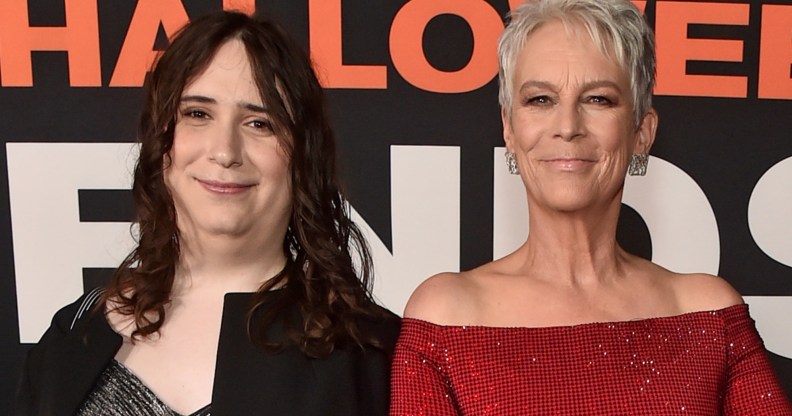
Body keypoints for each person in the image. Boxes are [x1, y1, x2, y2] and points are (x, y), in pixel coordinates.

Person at [389, 0, 792, 414]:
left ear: (641, 131)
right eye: (540, 99)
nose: (567, 127)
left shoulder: (708, 314)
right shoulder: (446, 317)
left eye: (598, 99)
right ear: (509, 128)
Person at [16, 11, 399, 416]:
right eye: (198, 114)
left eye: (259, 123)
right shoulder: (77, 333)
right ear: (162, 142)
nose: (224, 152)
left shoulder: (371, 356)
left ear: (304, 156)